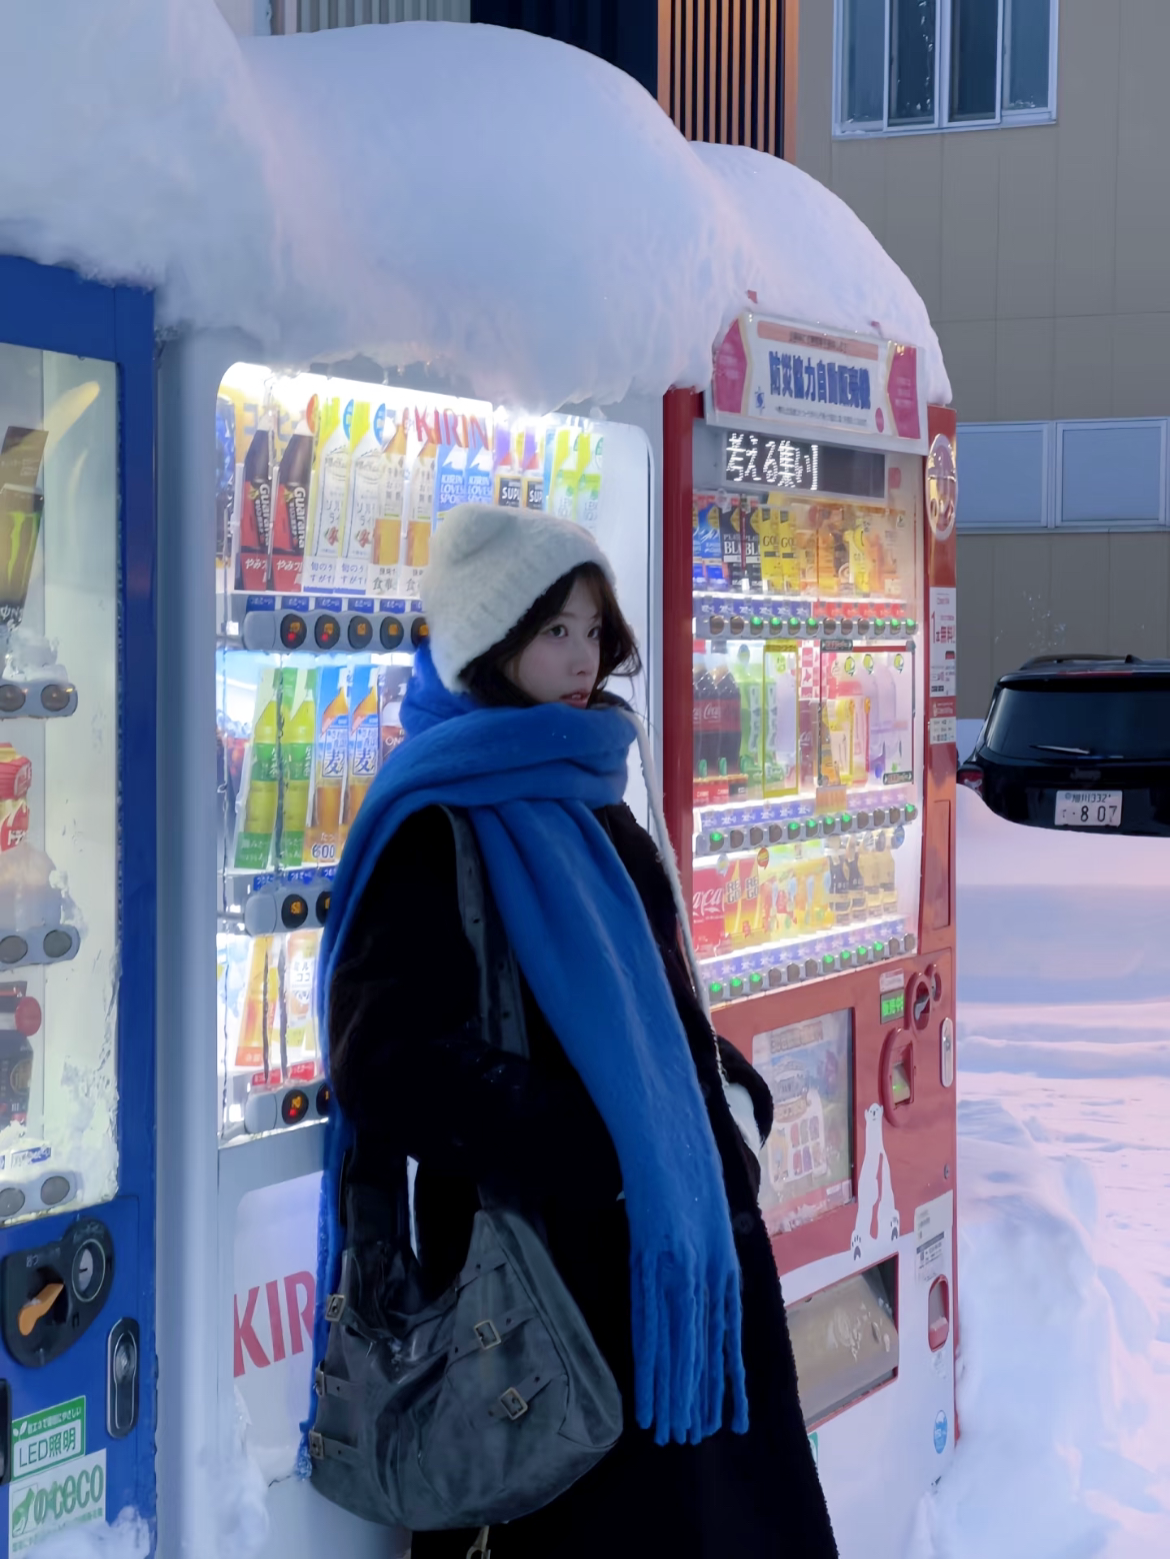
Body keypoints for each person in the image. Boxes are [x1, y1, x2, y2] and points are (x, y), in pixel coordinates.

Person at [318, 503, 838, 1559]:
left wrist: (720, 1094)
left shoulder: (598, 792)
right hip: (548, 1297)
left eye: (594, 628)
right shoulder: (435, 818)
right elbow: (384, 1061)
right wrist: (587, 1145)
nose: (582, 655)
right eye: (554, 628)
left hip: (670, 1267)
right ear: (491, 638)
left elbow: (658, 1008)